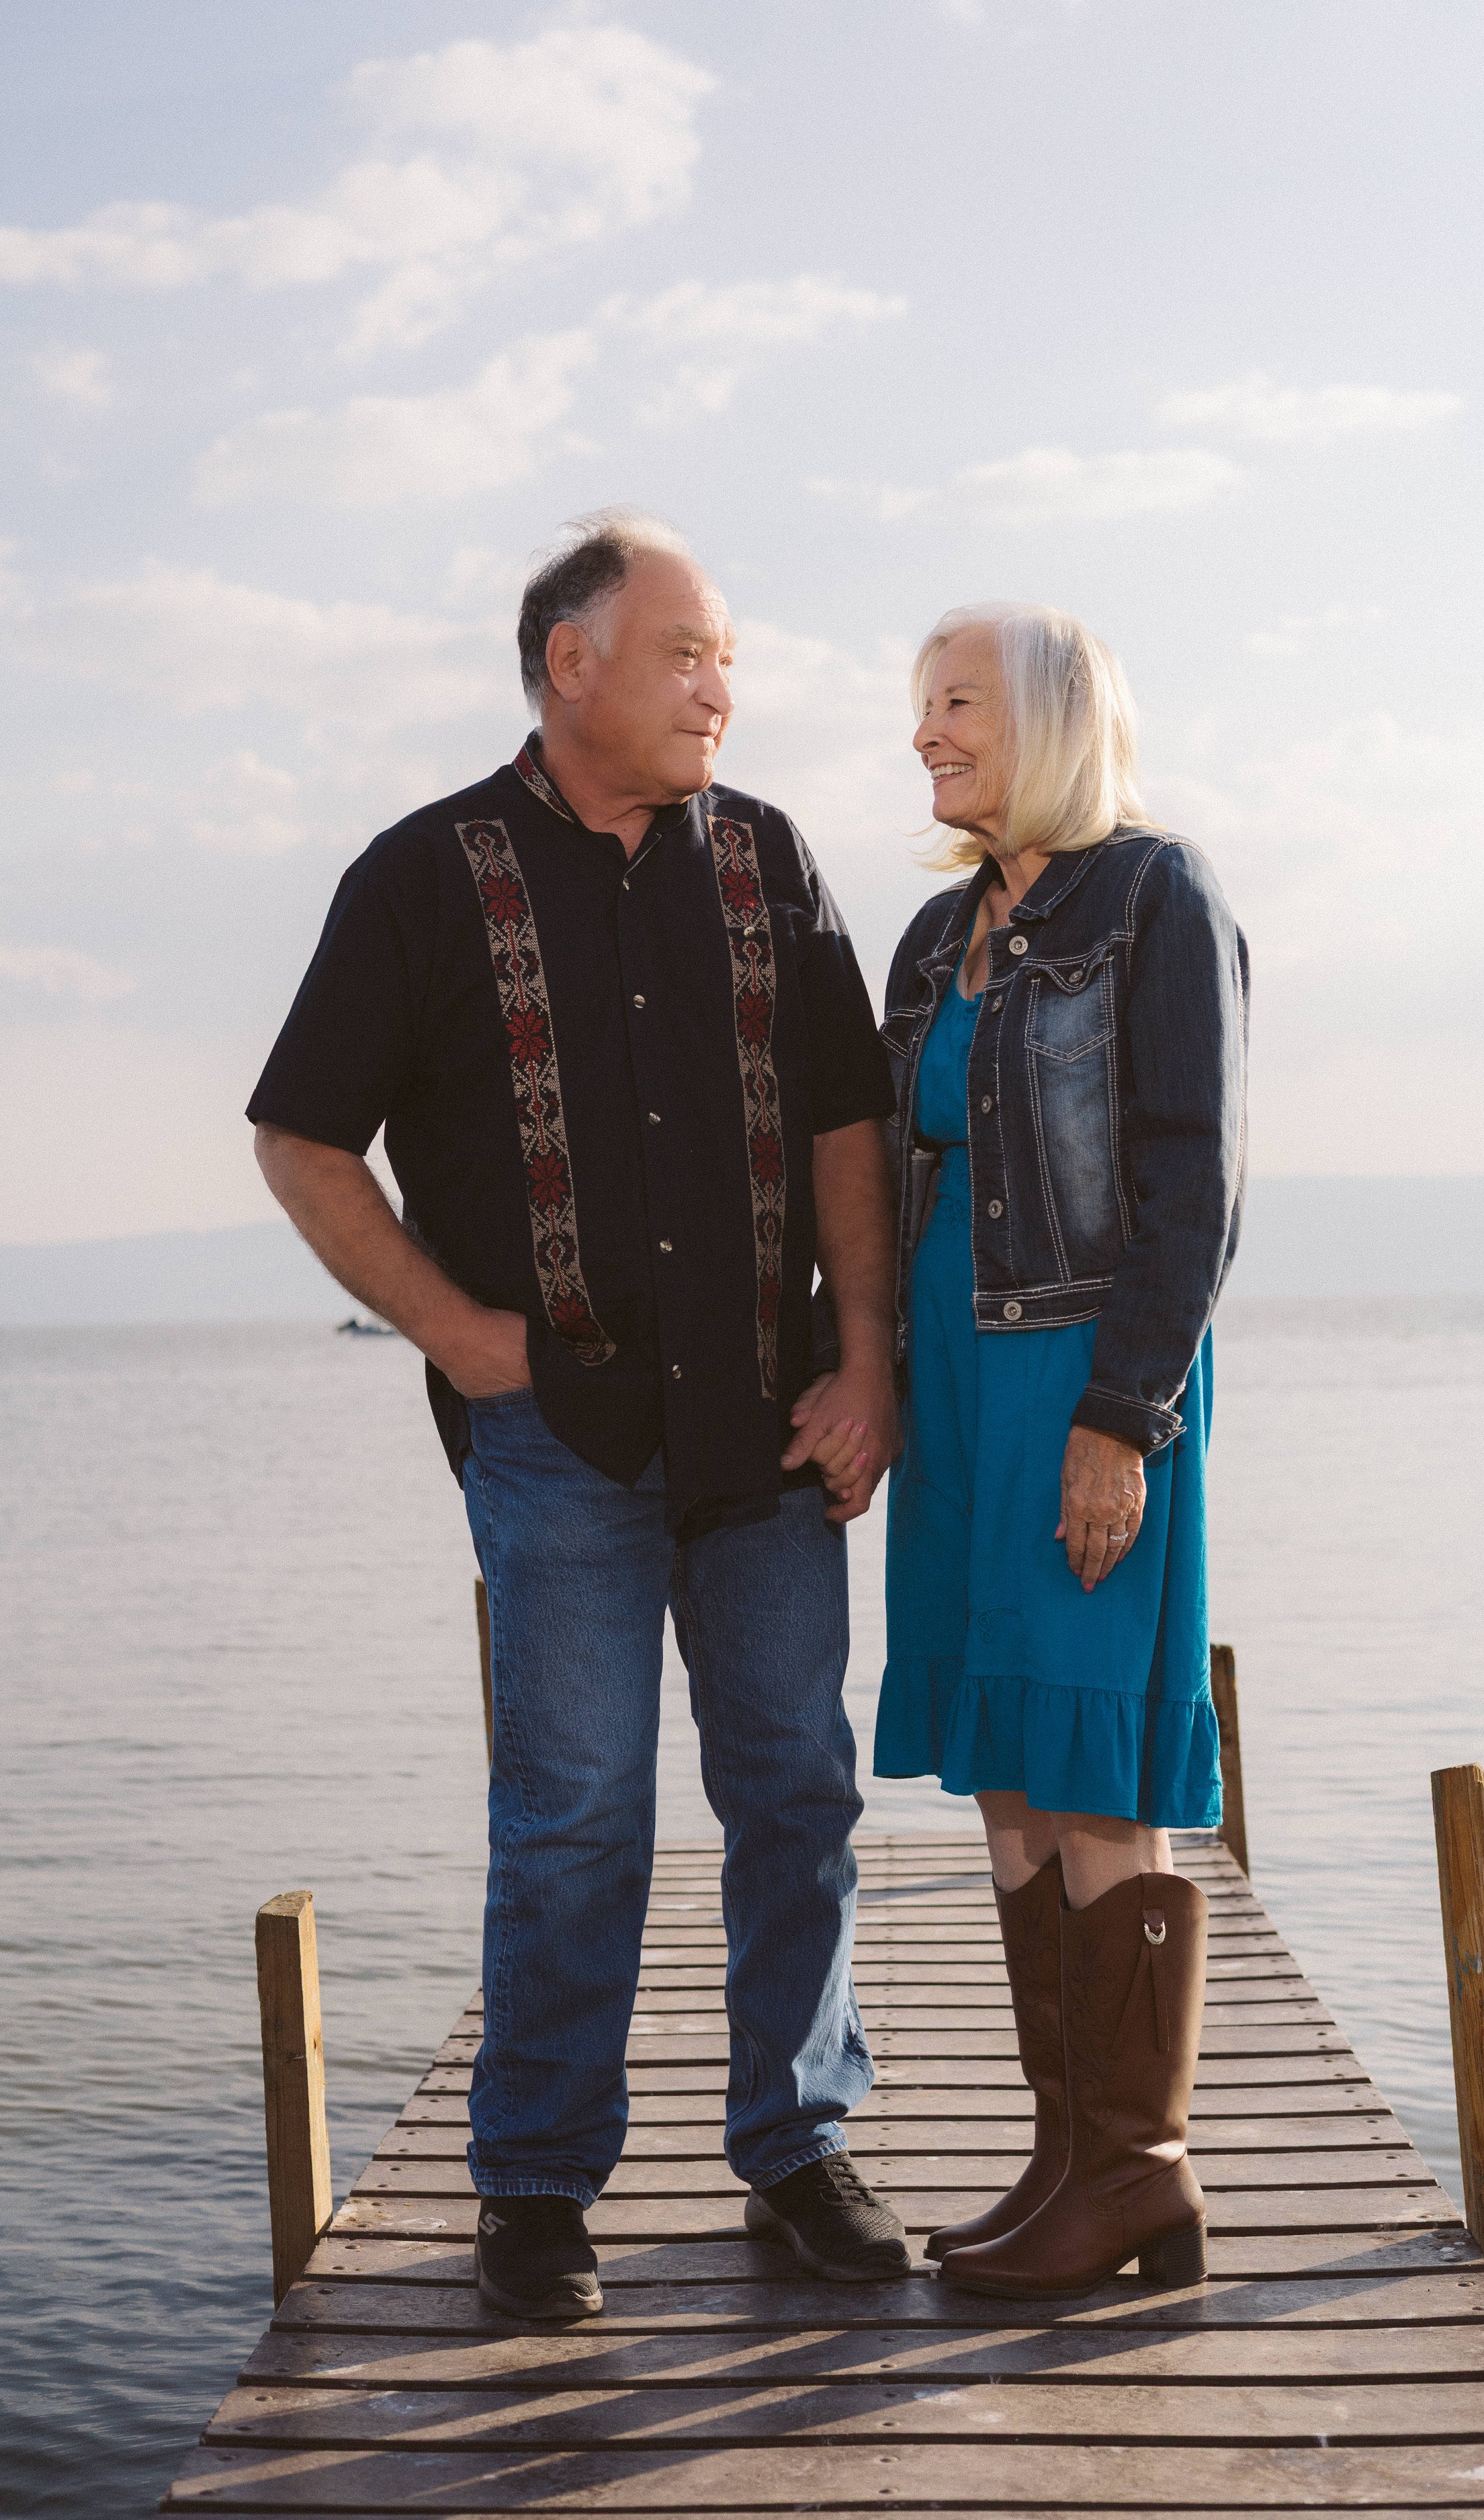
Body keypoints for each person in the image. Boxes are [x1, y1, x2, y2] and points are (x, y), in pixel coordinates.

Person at [248, 509, 912, 2318]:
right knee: (574, 1813)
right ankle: (535, 2186)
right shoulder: (417, 876)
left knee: (797, 1786)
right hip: (557, 1432)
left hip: (771, 1422)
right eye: (689, 652)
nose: (721, 687)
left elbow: (851, 1121)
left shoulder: (773, 860)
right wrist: (458, 1327)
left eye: (730, 661)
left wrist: (869, 1356)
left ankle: (796, 2143)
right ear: (572, 665)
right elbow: (301, 1133)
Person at [873, 601, 1248, 2298]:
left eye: (955, 704)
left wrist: (1123, 1419)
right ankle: (1067, 2159)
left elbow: (1197, 1184)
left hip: (1081, 1381)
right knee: (1013, 1780)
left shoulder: (1156, 897)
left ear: (1043, 716)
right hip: (957, 1390)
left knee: (1092, 1767)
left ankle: (1144, 2172)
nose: (925, 736)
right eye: (920, 708)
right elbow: (900, 1190)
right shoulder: (930, 940)